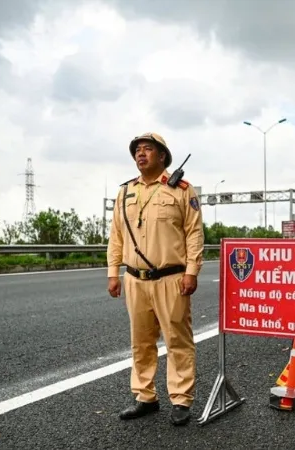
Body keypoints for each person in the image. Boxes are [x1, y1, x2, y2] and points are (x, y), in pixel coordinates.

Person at [106, 132, 204, 426]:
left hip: (171, 278)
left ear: (162, 156)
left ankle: (181, 399)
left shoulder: (182, 190)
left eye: (148, 149)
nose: (140, 154)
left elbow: (194, 233)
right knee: (141, 341)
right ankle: (145, 397)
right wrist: (113, 273)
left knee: (177, 340)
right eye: (137, 150)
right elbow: (117, 237)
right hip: (135, 279)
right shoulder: (125, 192)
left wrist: (191, 271)